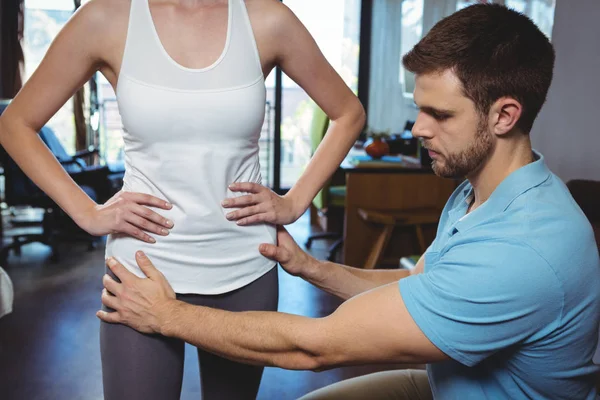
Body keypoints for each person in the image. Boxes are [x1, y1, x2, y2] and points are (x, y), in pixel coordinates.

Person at [98, 4, 600, 399]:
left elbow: (316, 348)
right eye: (418, 109)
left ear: (504, 115)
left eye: (439, 115)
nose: (418, 129)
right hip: (449, 384)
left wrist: (168, 316)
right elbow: (414, 284)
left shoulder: (524, 249)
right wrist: (308, 266)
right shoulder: (482, 193)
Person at [0, 0, 365, 399]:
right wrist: (86, 212)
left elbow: (348, 112)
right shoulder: (104, 18)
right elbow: (16, 124)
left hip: (244, 263)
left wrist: (295, 202)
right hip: (144, 266)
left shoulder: (267, 18)